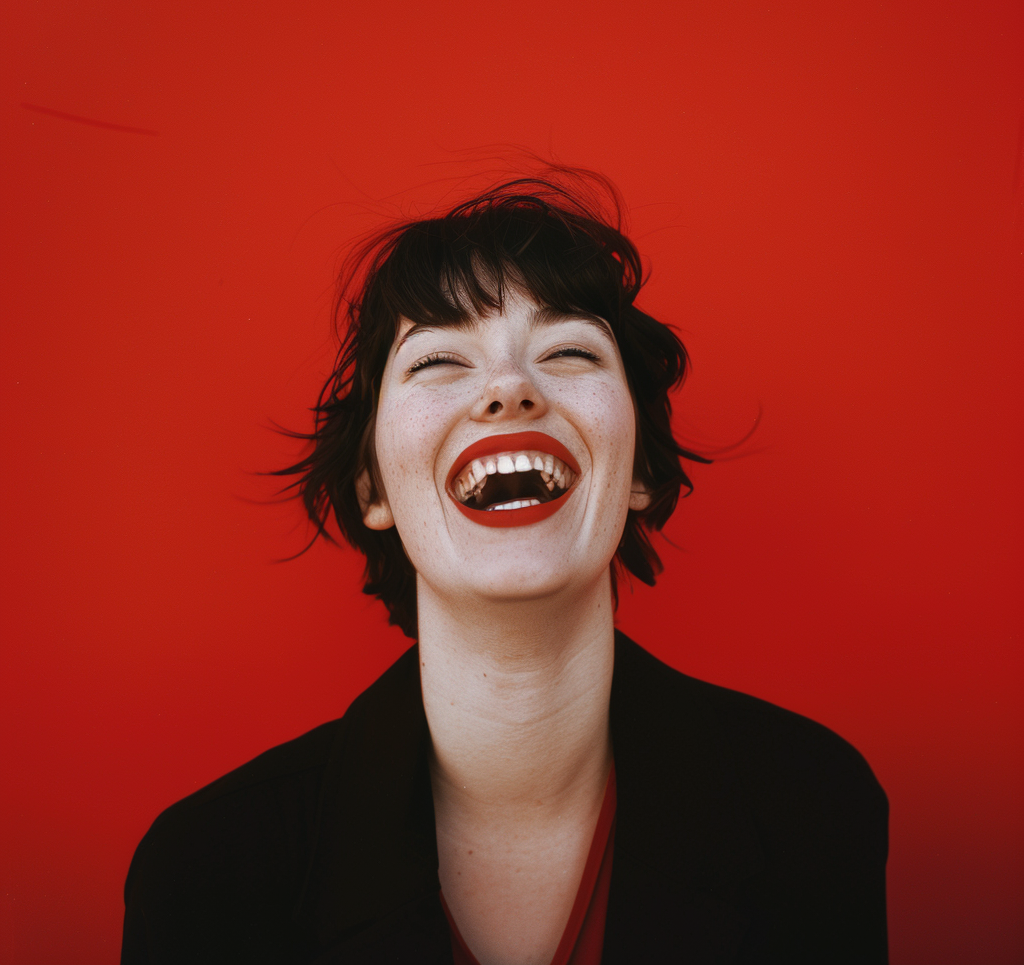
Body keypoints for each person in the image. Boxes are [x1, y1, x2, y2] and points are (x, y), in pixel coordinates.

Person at [121, 171, 888, 964]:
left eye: (566, 350)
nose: (510, 388)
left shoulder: (813, 809)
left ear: (640, 474)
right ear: (373, 486)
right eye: (440, 361)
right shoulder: (207, 872)